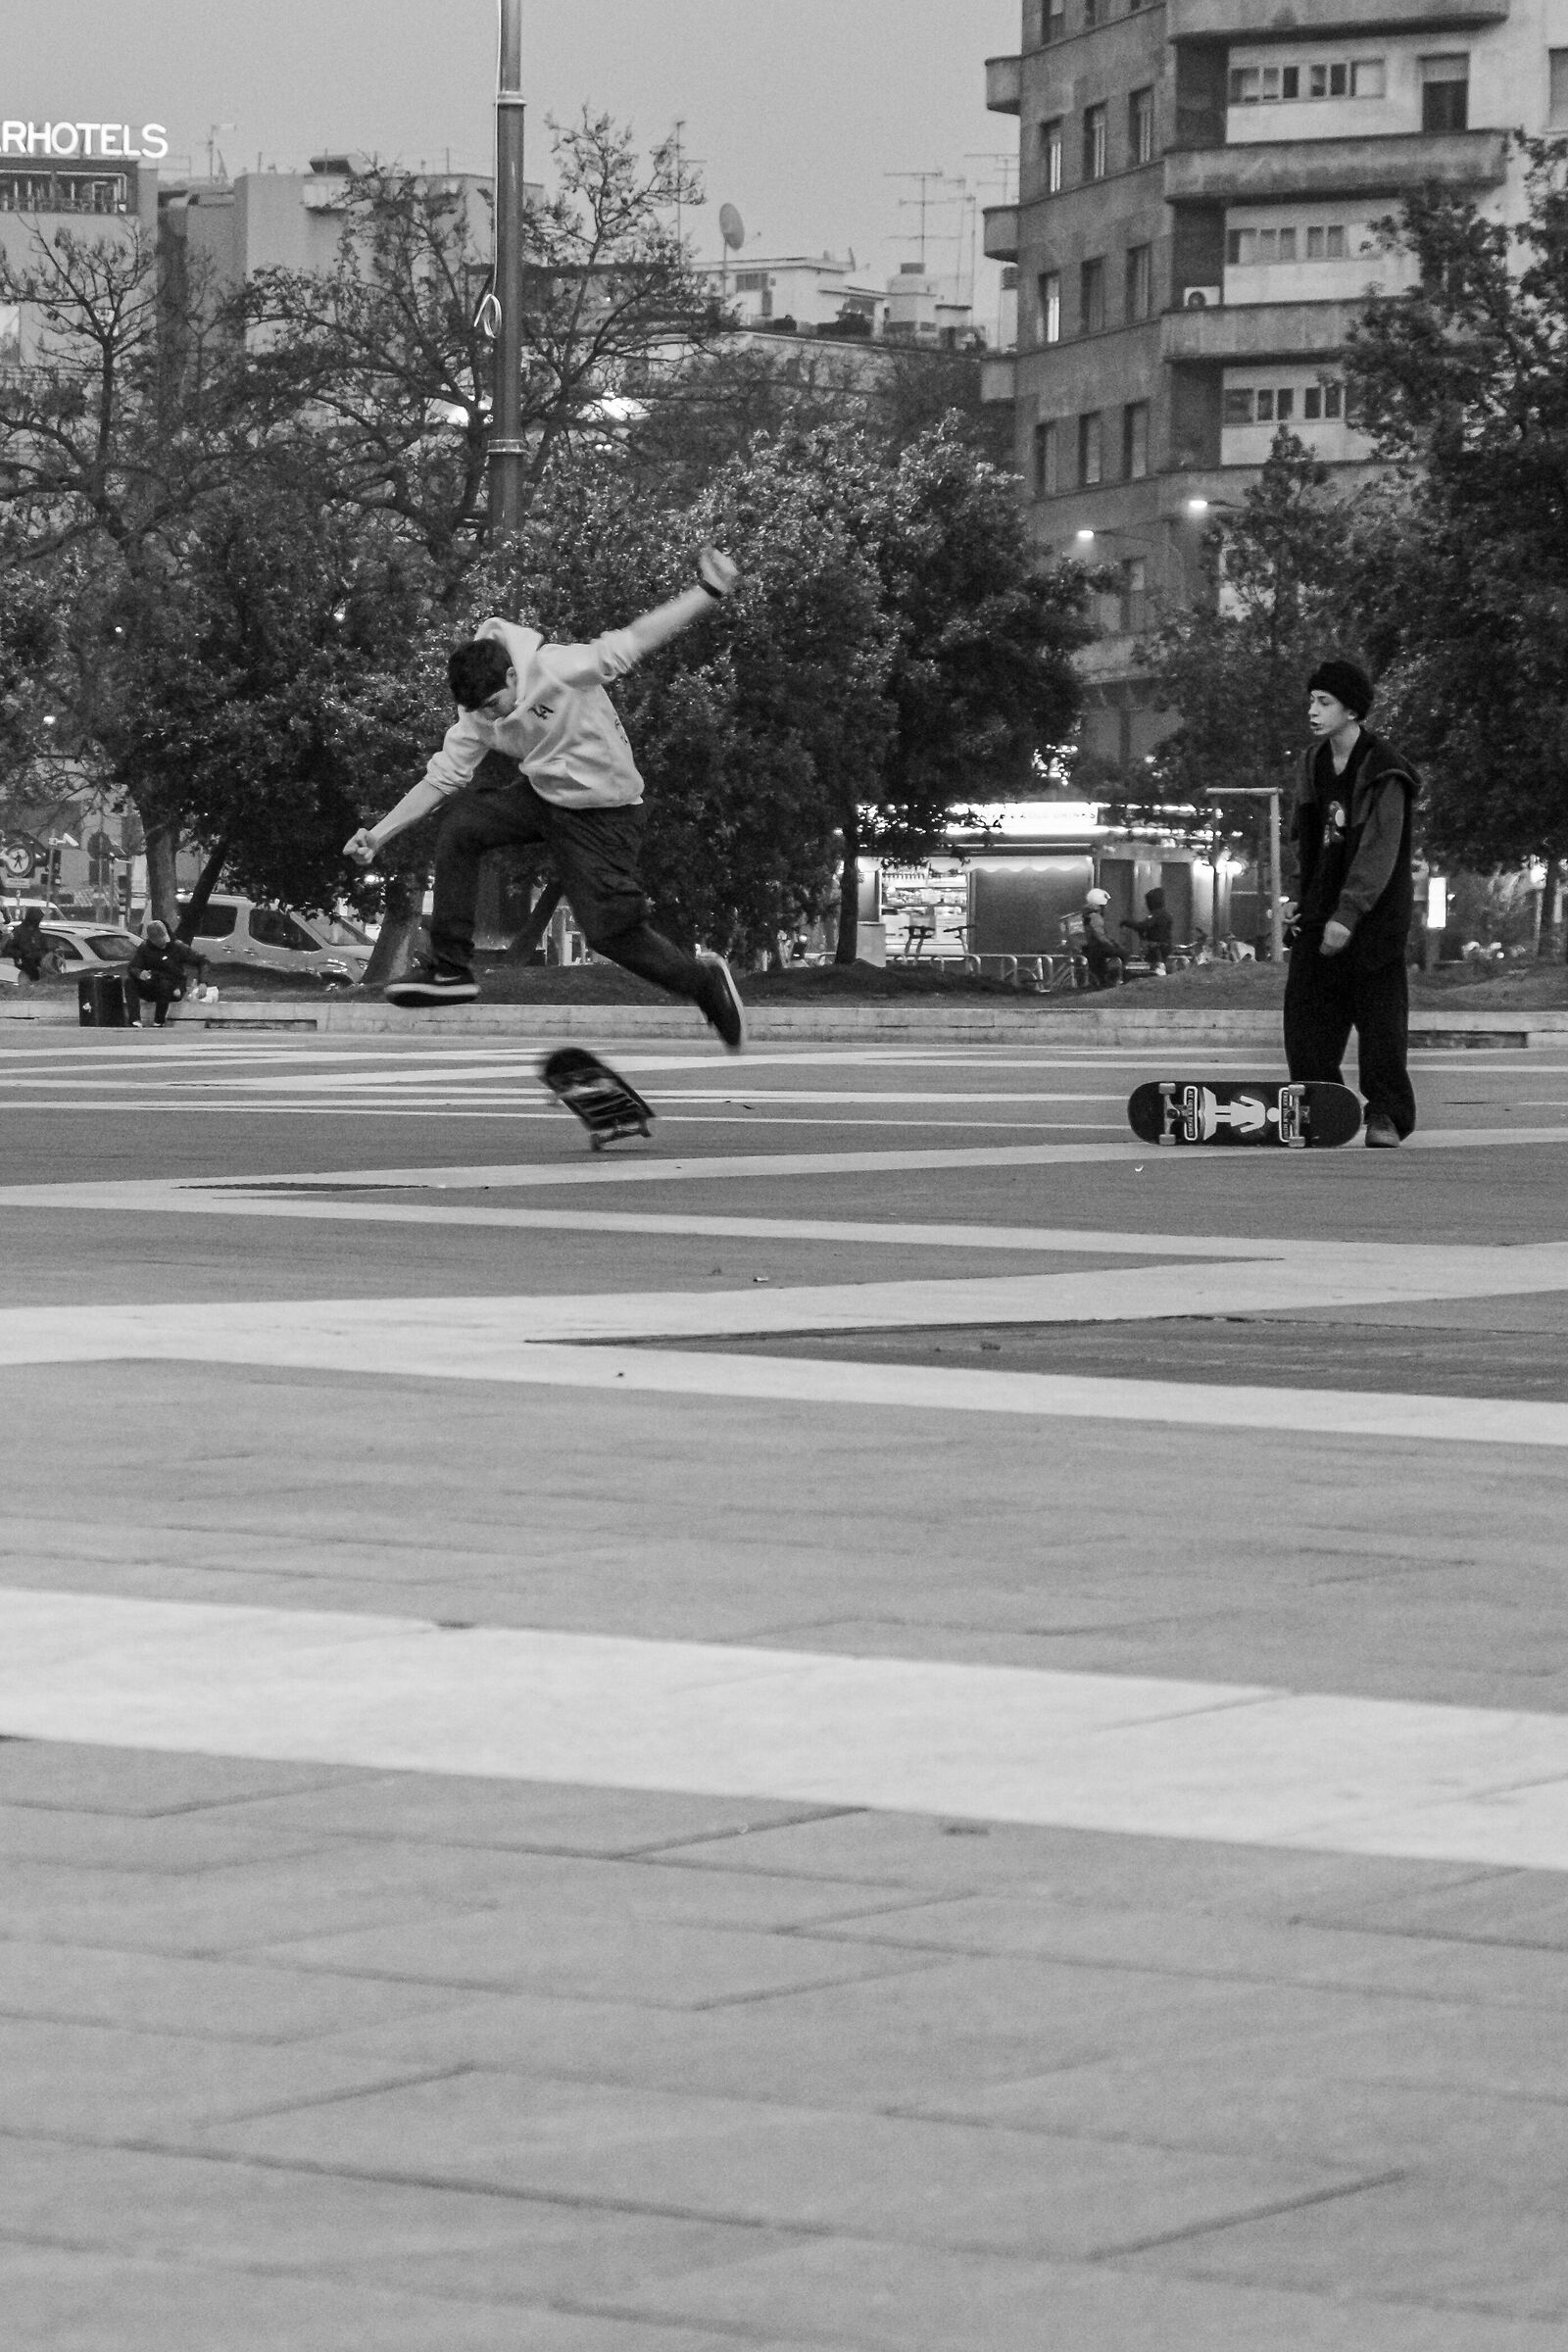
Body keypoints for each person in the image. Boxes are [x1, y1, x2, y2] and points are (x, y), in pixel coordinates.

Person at [344, 548, 748, 1050]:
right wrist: (378, 835)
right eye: (479, 712)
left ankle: (704, 984)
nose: (491, 720)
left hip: (606, 812)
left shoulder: (557, 667)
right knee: (462, 827)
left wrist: (707, 592)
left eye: (495, 706)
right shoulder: (477, 715)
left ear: (513, 677)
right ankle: (451, 970)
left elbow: (634, 641)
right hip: (544, 798)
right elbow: (442, 777)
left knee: (610, 932)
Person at [1285, 658, 1418, 1149]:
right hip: (1322, 909)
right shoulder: (1313, 762)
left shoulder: (1385, 768)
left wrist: (1349, 913)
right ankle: (1323, 1106)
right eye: (1311, 702)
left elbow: (1379, 850)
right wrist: (1298, 901)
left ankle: (1386, 1116)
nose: (1313, 712)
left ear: (1352, 710)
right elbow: (1306, 839)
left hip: (1373, 915)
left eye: (1325, 703)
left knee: (1380, 1023)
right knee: (1306, 1018)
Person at [125, 920, 199, 1028]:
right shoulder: (145, 948)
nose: (159, 943)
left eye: (160, 939)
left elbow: (199, 961)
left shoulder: (178, 947)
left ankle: (159, 1020)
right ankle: (135, 1019)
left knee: (164, 984)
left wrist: (201, 982)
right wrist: (140, 973)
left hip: (172, 986)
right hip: (152, 983)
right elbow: (133, 966)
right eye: (155, 941)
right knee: (129, 982)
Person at [1077, 889, 1125, 989]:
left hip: (1089, 948)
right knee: (1123, 953)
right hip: (1096, 948)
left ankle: (1106, 978)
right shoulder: (1095, 916)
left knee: (1100, 969)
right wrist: (1112, 944)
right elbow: (1100, 936)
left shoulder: (1086, 914)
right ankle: (1116, 978)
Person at [1123, 886, 1173, 972]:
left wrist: (1128, 923)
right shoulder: (1165, 914)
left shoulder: (1157, 914)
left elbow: (1143, 926)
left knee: (1156, 970)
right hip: (1164, 947)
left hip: (1157, 950)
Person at [6, 906, 48, 984]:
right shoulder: (18, 931)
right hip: (23, 966)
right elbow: (9, 948)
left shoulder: (38, 933)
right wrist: (20, 955)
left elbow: (44, 949)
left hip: (38, 966)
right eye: (36, 919)